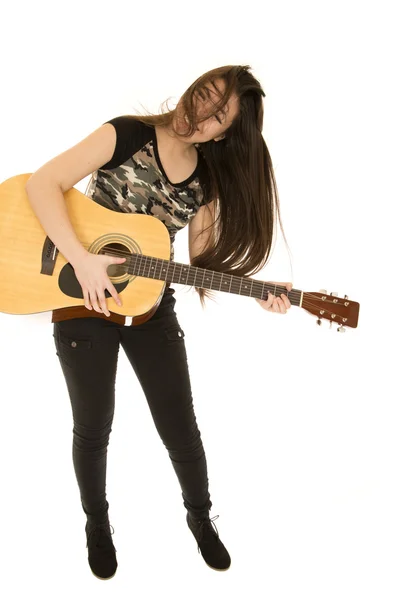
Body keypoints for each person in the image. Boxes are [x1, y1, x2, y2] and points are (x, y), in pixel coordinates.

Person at [25, 64, 292, 580]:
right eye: (208, 96)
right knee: (93, 425)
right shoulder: (126, 133)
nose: (205, 115)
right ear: (196, 86)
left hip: (148, 306)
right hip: (82, 296)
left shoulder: (207, 178)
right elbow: (43, 183)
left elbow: (200, 261)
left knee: (180, 426)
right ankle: (96, 523)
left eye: (220, 117)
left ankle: (199, 517)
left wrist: (260, 290)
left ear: (226, 132)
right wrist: (81, 258)